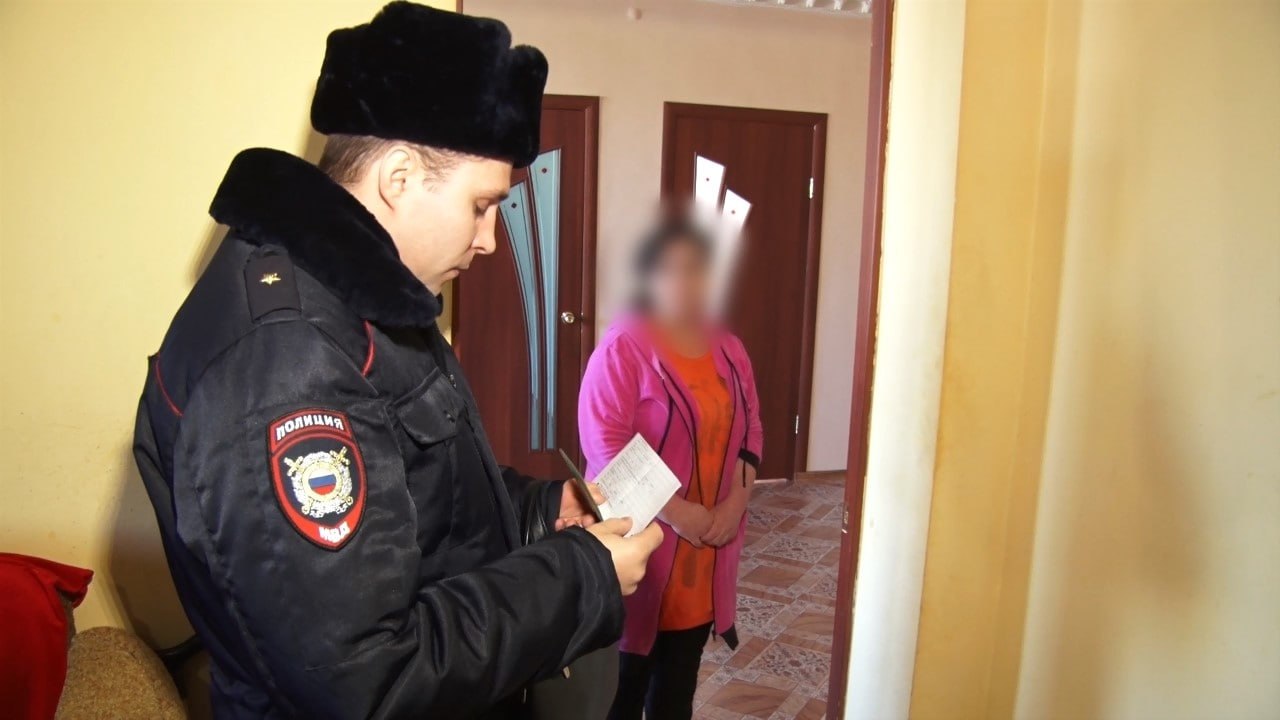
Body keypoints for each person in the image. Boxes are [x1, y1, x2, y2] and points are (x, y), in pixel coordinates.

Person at [131, 4, 662, 718]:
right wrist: (584, 578)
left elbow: (422, 496)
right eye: (481, 206)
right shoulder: (287, 365)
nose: (489, 240)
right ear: (400, 177)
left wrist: (542, 510)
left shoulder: (363, 298)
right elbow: (367, 681)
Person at [578, 215, 764, 720]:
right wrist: (682, 514)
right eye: (671, 269)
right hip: (641, 553)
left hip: (703, 557)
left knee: (677, 693)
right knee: (620, 695)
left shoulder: (729, 348)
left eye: (697, 268)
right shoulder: (623, 348)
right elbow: (605, 448)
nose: (686, 282)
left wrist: (735, 505)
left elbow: (752, 430)